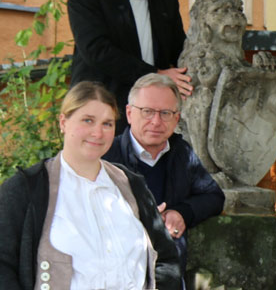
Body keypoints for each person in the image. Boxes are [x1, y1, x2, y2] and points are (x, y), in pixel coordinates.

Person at [0, 81, 181, 289]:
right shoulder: (26, 188)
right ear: (63, 122)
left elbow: (166, 258)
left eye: (107, 124)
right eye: (88, 120)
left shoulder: (131, 185)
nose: (98, 133)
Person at [68, 0, 192, 134]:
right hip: (102, 106)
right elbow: (95, 50)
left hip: (152, 111)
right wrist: (156, 74)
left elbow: (178, 48)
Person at [102, 73, 224, 277]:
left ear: (176, 118)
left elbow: (214, 197)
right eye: (147, 111)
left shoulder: (181, 153)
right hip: (118, 274)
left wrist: (182, 213)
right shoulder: (106, 156)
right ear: (130, 113)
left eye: (165, 113)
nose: (156, 121)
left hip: (169, 273)